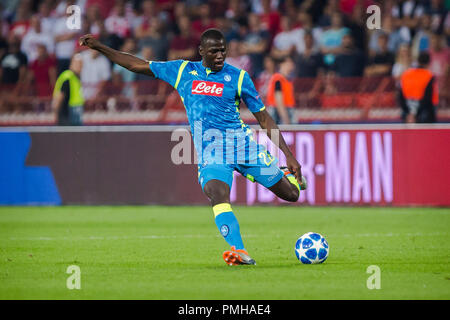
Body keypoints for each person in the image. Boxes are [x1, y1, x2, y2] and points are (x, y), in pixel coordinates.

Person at [79, 29, 307, 266]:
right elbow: (137, 65)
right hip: (212, 151)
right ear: (201, 52)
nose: (220, 55)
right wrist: (100, 47)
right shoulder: (182, 71)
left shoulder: (239, 77)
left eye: (223, 50)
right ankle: (239, 251)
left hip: (244, 147)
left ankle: (284, 172)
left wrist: (288, 154)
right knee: (216, 192)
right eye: (214, 51)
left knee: (292, 194)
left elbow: (264, 119)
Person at [398, 52, 438, 123]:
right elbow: (428, 98)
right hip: (424, 114)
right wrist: (416, 114)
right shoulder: (429, 76)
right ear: (428, 63)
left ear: (418, 61)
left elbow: (400, 96)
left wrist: (409, 114)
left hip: (407, 112)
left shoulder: (406, 74)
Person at [52, 54, 84, 125]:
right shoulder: (67, 77)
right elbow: (59, 98)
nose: (80, 66)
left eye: (81, 64)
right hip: (66, 117)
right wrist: (56, 115)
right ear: (71, 64)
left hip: (75, 115)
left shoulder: (76, 78)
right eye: (77, 64)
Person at [266, 56, 296, 124]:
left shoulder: (286, 79)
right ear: (281, 64)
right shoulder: (278, 78)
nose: (291, 65)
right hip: (278, 112)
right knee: (278, 133)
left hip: (283, 110)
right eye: (288, 63)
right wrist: (285, 118)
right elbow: (278, 98)